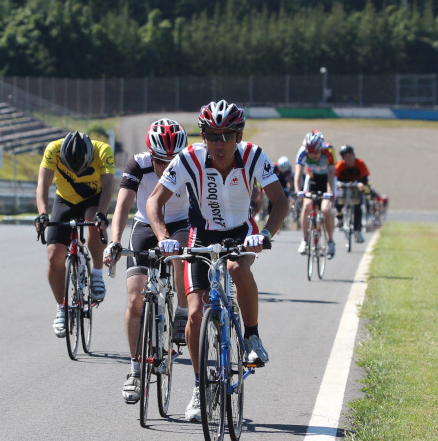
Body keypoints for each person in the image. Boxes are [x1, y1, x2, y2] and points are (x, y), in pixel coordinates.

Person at [146, 100, 288, 422]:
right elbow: (155, 201)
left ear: (238, 135)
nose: (219, 143)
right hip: (202, 236)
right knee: (195, 312)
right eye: (212, 135)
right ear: (203, 135)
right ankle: (200, 386)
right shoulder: (189, 159)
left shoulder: (253, 156)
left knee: (238, 268)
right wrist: (163, 237)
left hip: (242, 232)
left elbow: (280, 201)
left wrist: (265, 234)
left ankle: (251, 336)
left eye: (227, 135)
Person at [102, 118, 190, 404]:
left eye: (172, 161)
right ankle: (135, 369)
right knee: (135, 298)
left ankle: (182, 313)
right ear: (150, 153)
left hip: (179, 223)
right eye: (160, 161)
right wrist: (114, 241)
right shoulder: (137, 165)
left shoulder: (190, 163)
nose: (166, 168)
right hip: (144, 225)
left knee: (178, 254)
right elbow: (123, 206)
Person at [34, 131, 115, 338]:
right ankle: (62, 308)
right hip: (65, 201)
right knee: (54, 255)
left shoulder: (103, 150)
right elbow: (42, 185)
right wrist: (43, 214)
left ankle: (96, 274)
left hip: (93, 199)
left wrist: (102, 215)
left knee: (93, 224)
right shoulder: (53, 150)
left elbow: (107, 188)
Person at [294, 131, 337, 258]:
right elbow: (298, 174)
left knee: (326, 209)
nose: (313, 156)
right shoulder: (302, 151)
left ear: (321, 149)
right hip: (312, 179)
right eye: (310, 153)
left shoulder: (329, 151)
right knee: (307, 206)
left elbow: (330, 174)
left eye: (316, 153)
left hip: (326, 180)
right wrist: (298, 191)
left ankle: (330, 241)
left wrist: (329, 193)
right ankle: (304, 240)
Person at [334, 144, 370, 243]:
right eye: (345, 156)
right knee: (338, 199)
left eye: (350, 155)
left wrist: (361, 184)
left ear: (354, 155)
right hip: (344, 188)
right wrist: (338, 184)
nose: (348, 158)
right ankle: (339, 217)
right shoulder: (340, 165)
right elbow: (334, 178)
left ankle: (357, 231)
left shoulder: (360, 164)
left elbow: (365, 179)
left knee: (357, 207)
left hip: (356, 190)